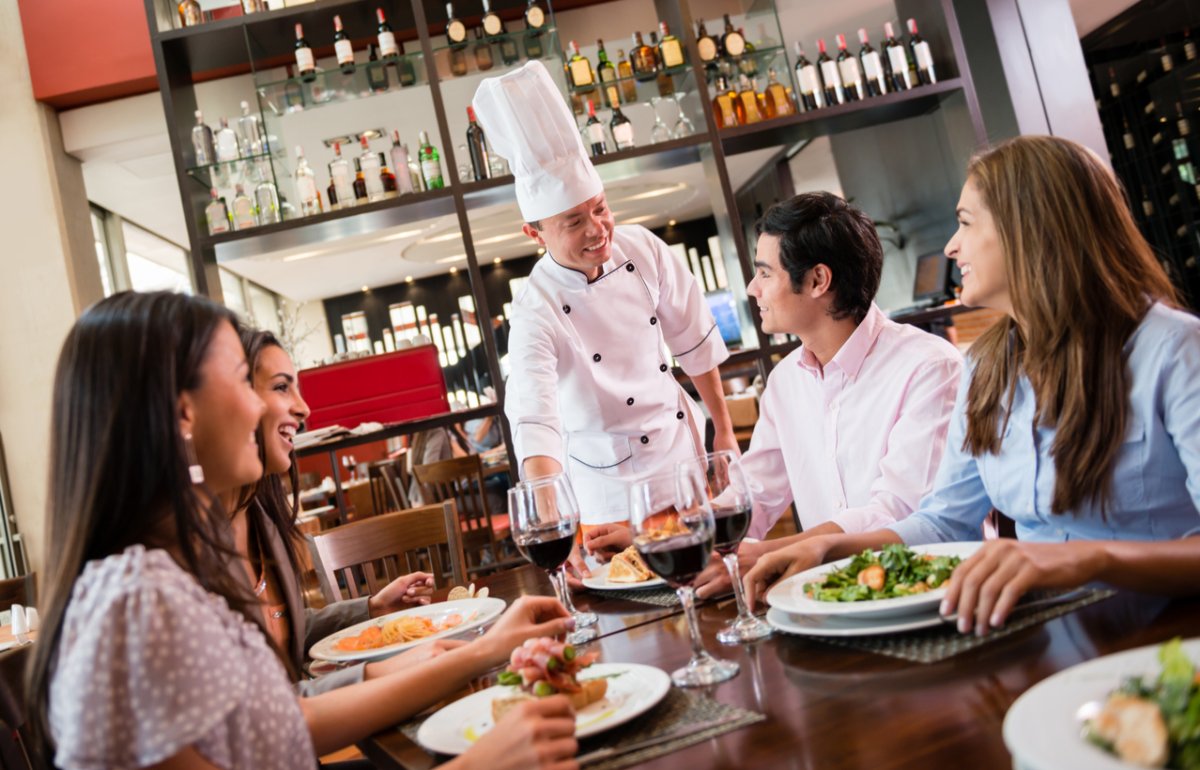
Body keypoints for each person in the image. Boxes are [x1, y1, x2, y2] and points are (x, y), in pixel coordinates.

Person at [28, 291, 582, 770]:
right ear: (182, 415)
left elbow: (292, 720)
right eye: (246, 382)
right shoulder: (140, 604)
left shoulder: (155, 580)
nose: (261, 406)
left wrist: (480, 652)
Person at [744, 136, 1200, 634]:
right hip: (1040, 638)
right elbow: (942, 523)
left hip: (1166, 640)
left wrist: (1088, 561)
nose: (950, 245)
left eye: (965, 222)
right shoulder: (988, 367)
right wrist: (825, 546)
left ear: (1031, 228)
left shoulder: (1175, 351)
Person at [585, 193, 963, 602]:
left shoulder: (928, 366)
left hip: (929, 592)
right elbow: (753, 496)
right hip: (831, 597)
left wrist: (768, 553)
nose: (751, 288)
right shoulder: (785, 382)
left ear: (818, 280)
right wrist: (661, 537)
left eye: (764, 273)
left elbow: (898, 511)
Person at [472, 62, 737, 550]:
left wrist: (723, 429)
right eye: (574, 221)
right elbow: (534, 415)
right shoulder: (536, 306)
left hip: (681, 458)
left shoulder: (642, 248)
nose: (598, 229)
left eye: (600, 208)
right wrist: (549, 515)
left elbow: (693, 338)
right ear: (535, 233)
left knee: (705, 576)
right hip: (609, 492)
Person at [230, 326, 448, 695]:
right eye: (282, 387)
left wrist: (372, 607)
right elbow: (269, 710)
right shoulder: (180, 559)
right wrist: (404, 671)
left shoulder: (260, 518)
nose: (304, 408)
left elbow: (288, 629)